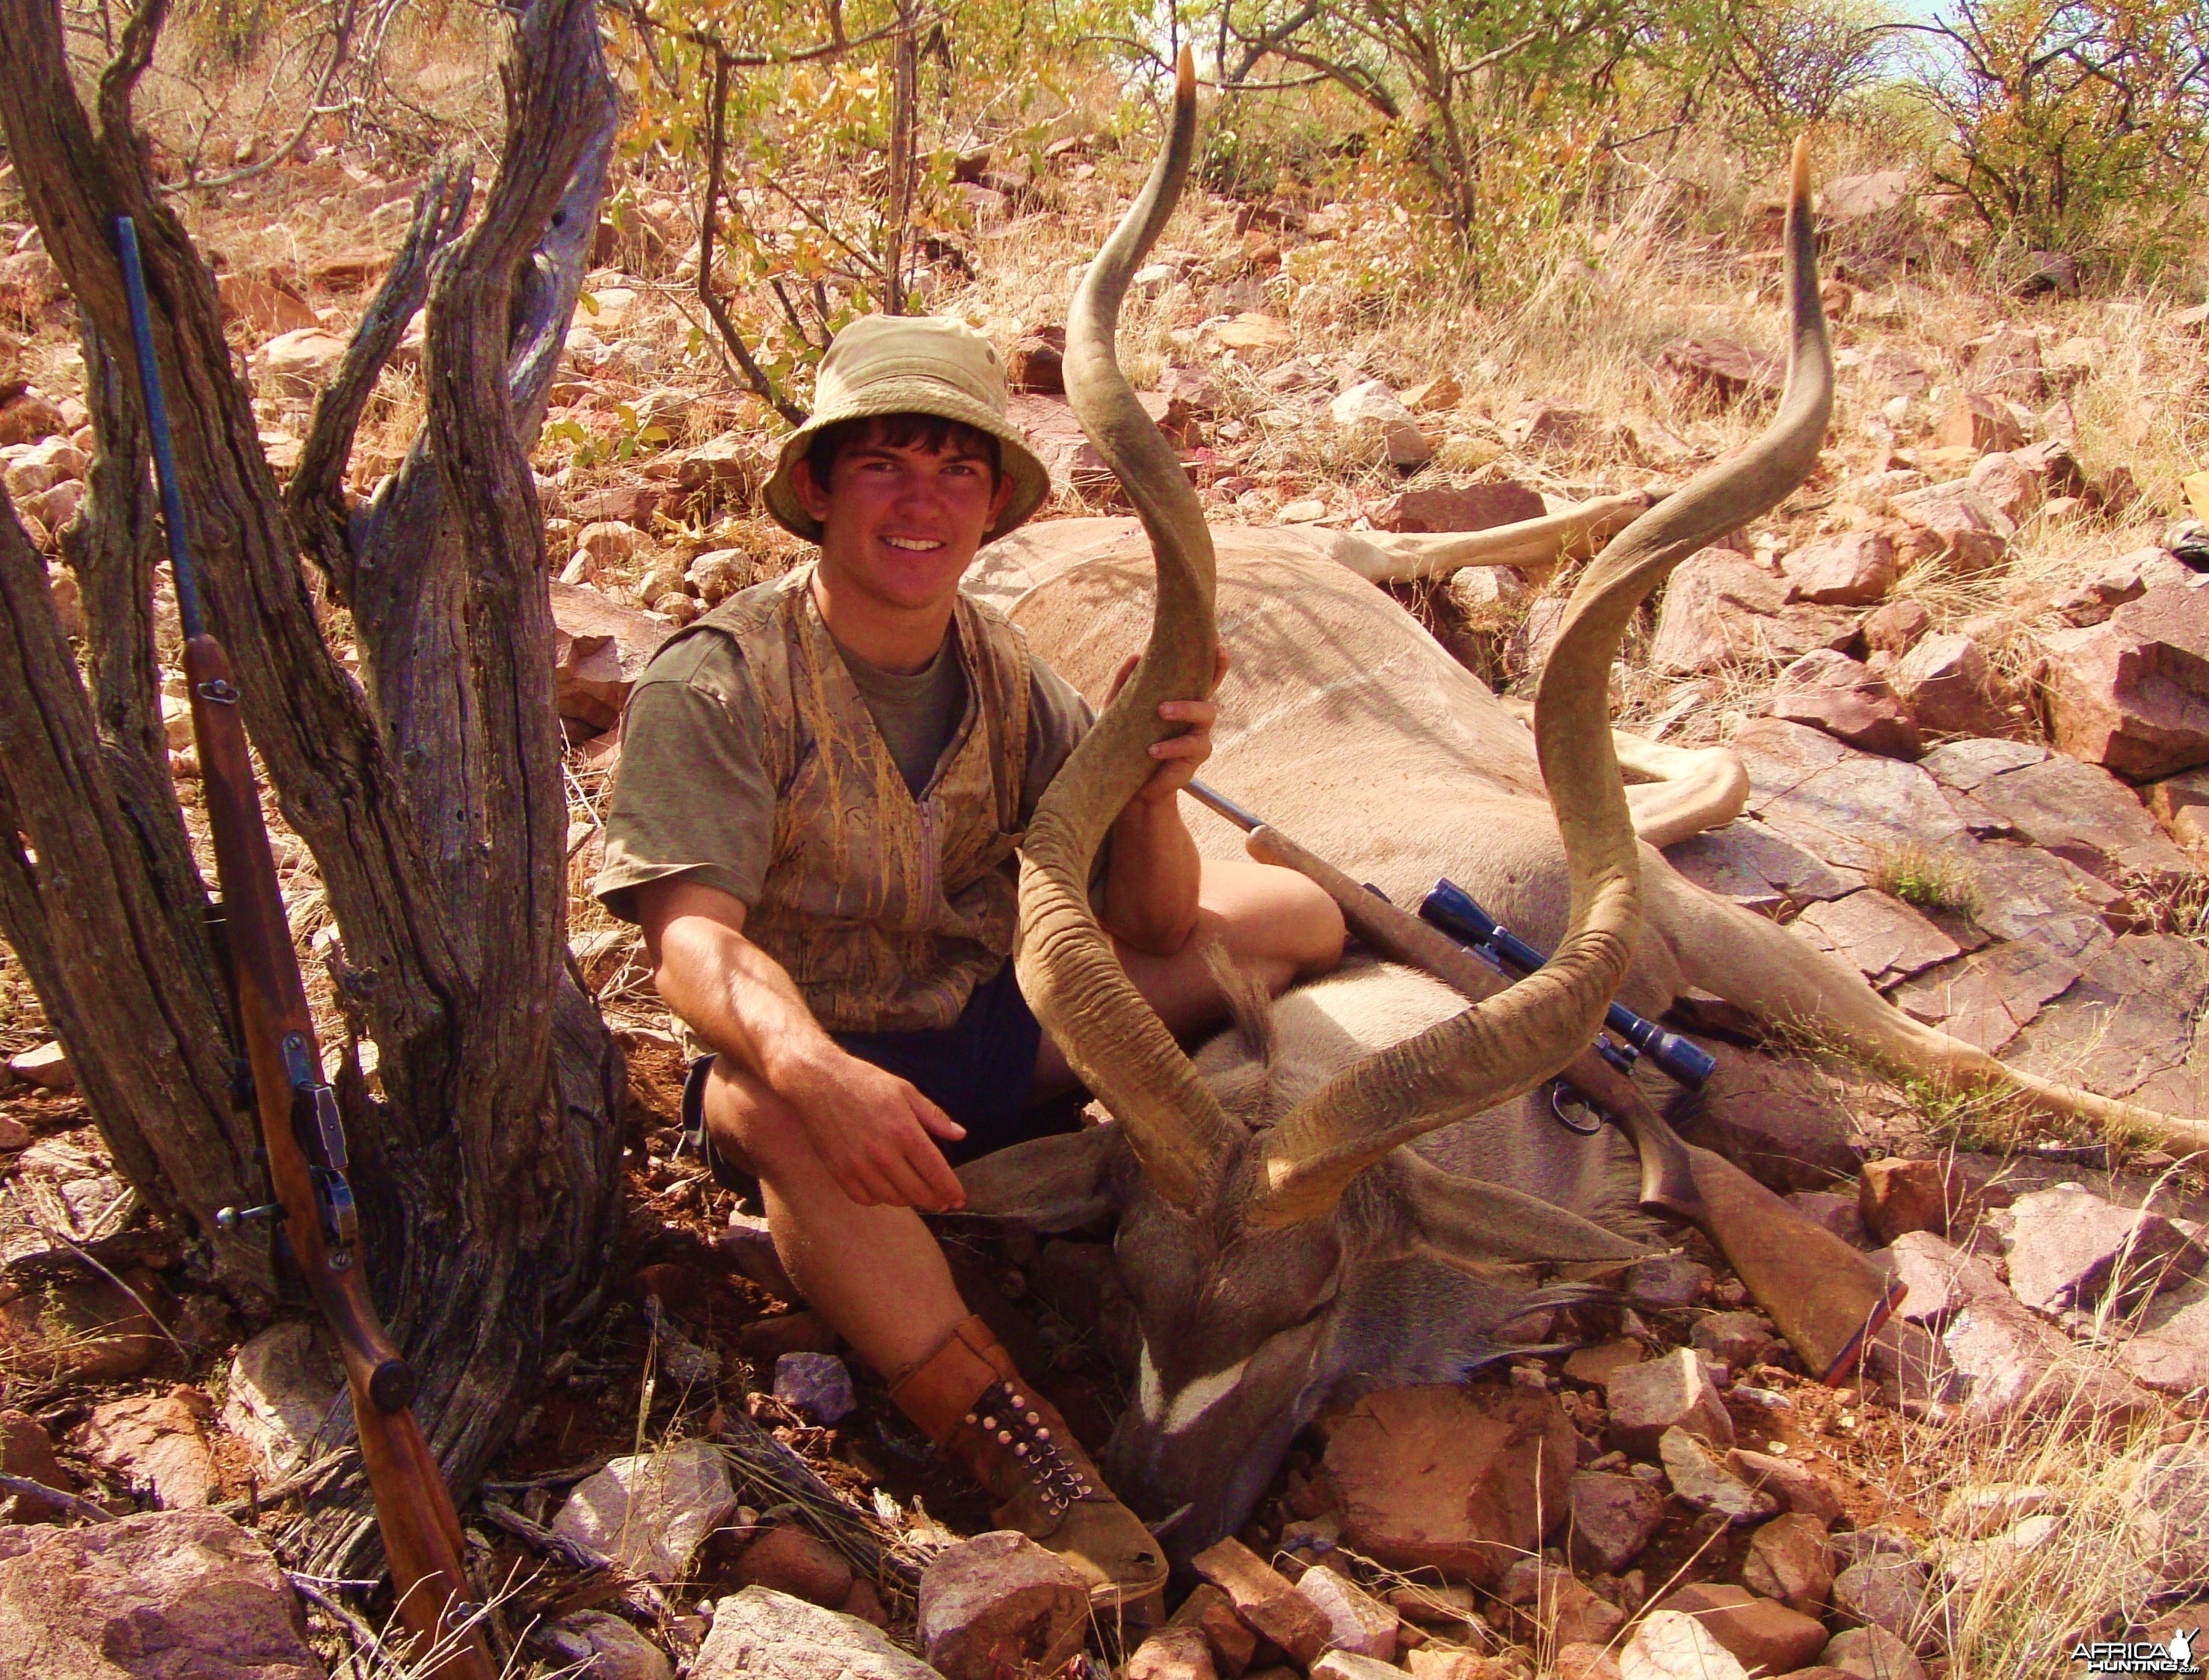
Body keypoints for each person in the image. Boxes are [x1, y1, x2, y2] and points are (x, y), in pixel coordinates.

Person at [593, 315, 1344, 1607]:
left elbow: (1156, 927)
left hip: (994, 1031)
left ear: (994, 502)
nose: (921, 501)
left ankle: (1160, 1184)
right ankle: (1021, 1445)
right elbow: (693, 942)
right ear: (818, 489)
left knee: (1301, 917)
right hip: (822, 1072)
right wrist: (817, 1071)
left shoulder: (1008, 671)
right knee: (766, 1104)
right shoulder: (718, 681)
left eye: (955, 471)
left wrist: (1155, 790)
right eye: (883, 464)